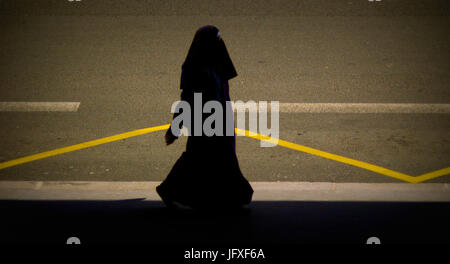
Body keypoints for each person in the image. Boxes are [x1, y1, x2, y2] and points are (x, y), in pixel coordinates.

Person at [156, 25, 253, 209]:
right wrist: (175, 128)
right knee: (198, 157)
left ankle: (232, 195)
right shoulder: (194, 67)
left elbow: (226, 81)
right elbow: (186, 100)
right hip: (204, 121)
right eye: (216, 40)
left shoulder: (215, 63)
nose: (220, 44)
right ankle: (170, 189)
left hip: (220, 120)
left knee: (222, 157)